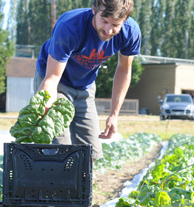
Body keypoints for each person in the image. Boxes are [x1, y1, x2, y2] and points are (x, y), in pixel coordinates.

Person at [35, 0, 141, 161]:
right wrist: (45, 104)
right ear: (94, 10)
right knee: (59, 149)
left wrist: (114, 114)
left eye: (115, 25)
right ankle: (54, 184)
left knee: (91, 154)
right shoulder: (70, 26)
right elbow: (52, 77)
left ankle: (81, 186)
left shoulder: (131, 32)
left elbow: (124, 70)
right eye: (104, 21)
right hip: (56, 82)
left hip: (85, 85)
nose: (108, 30)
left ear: (124, 21)